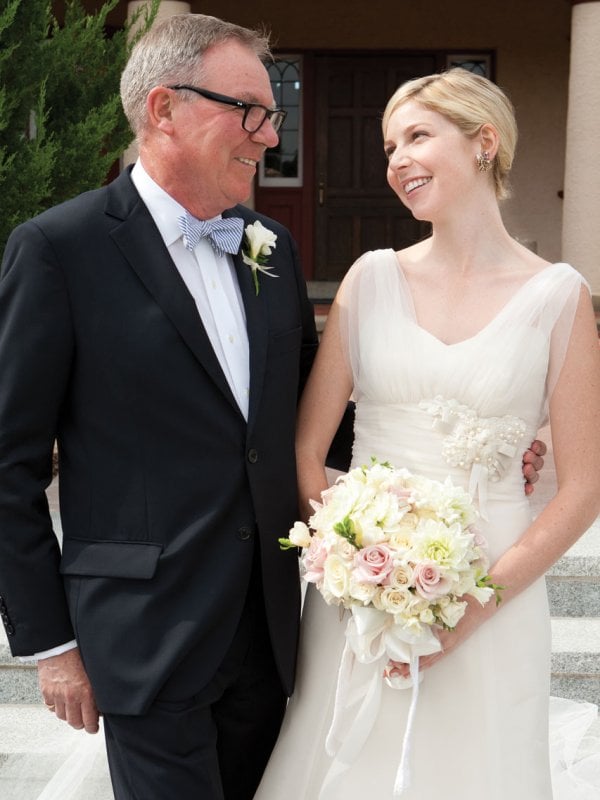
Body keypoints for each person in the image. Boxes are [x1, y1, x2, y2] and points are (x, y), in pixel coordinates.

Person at [0, 19, 543, 799]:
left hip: (275, 636)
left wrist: (464, 447)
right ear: (164, 109)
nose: (270, 132)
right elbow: (10, 465)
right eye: (250, 109)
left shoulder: (270, 247)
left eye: (273, 112)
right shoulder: (59, 248)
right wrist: (51, 643)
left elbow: (315, 422)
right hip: (142, 636)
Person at [254, 68, 600, 799]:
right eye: (388, 146)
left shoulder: (560, 297)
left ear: (484, 142)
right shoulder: (369, 280)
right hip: (362, 605)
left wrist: (473, 605)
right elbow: (308, 450)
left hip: (499, 595)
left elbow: (584, 487)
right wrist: (354, 561)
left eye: (417, 136)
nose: (396, 160)